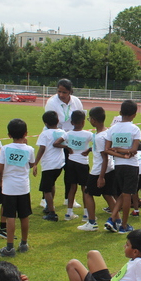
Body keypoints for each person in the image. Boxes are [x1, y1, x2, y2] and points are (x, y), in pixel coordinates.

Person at [0, 119, 36, 257]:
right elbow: (31, 164)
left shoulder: (5, 149)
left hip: (9, 187)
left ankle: (9, 247)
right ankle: (24, 243)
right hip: (23, 187)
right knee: (24, 215)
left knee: (10, 216)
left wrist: (0, 180)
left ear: (9, 135)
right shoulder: (29, 149)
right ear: (26, 133)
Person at [103, 100, 141, 234]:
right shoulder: (135, 129)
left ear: (120, 112)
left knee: (123, 193)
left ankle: (112, 218)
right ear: (134, 114)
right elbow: (134, 150)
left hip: (118, 166)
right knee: (127, 195)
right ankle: (124, 225)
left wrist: (118, 151)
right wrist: (125, 153)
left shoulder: (112, 129)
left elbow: (107, 149)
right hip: (131, 165)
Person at [44, 78, 84, 209]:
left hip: (71, 139)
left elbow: (79, 119)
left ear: (70, 92)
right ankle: (45, 198)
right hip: (55, 139)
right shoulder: (52, 102)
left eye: (64, 92)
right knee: (52, 169)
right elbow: (51, 121)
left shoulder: (76, 101)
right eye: (59, 91)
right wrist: (62, 136)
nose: (61, 95)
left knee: (70, 169)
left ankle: (68, 198)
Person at [78, 107, 116, 231]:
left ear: (93, 120)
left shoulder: (99, 137)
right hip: (110, 168)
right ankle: (117, 220)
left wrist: (101, 177)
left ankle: (92, 222)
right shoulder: (106, 132)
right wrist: (90, 150)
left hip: (99, 170)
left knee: (88, 193)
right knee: (108, 195)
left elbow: (104, 157)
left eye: (89, 118)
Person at [53, 110, 93, 221]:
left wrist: (67, 147)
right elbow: (98, 143)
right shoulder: (88, 134)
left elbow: (56, 143)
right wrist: (89, 150)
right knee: (85, 188)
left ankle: (69, 212)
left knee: (72, 187)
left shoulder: (68, 134)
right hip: (82, 163)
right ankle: (86, 213)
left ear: (71, 122)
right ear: (83, 122)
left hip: (71, 162)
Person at [34, 112, 66, 222]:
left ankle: (52, 213)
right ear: (57, 121)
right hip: (59, 164)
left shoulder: (45, 134)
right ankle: (49, 206)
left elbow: (42, 148)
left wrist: (35, 163)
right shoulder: (62, 132)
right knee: (51, 184)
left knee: (46, 189)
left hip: (49, 165)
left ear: (45, 123)